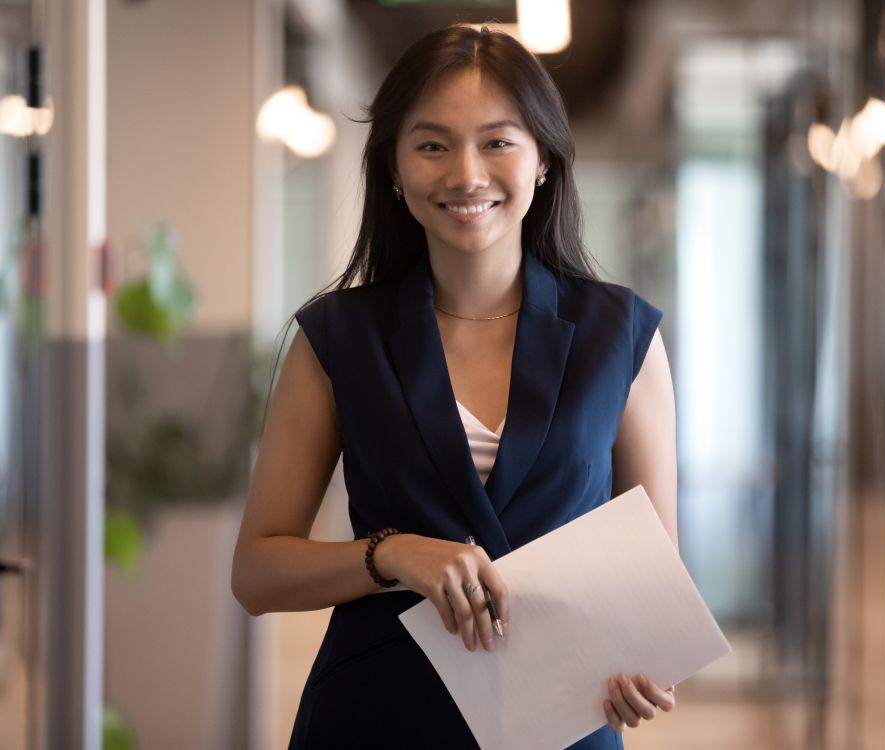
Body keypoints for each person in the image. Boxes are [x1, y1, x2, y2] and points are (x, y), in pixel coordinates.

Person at [231, 23, 678, 749]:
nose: (466, 173)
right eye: (433, 144)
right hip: (378, 718)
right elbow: (256, 572)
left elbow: (656, 587)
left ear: (542, 161)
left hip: (564, 723)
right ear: (396, 170)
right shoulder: (336, 338)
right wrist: (393, 553)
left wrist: (644, 667)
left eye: (497, 141)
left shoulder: (621, 334)